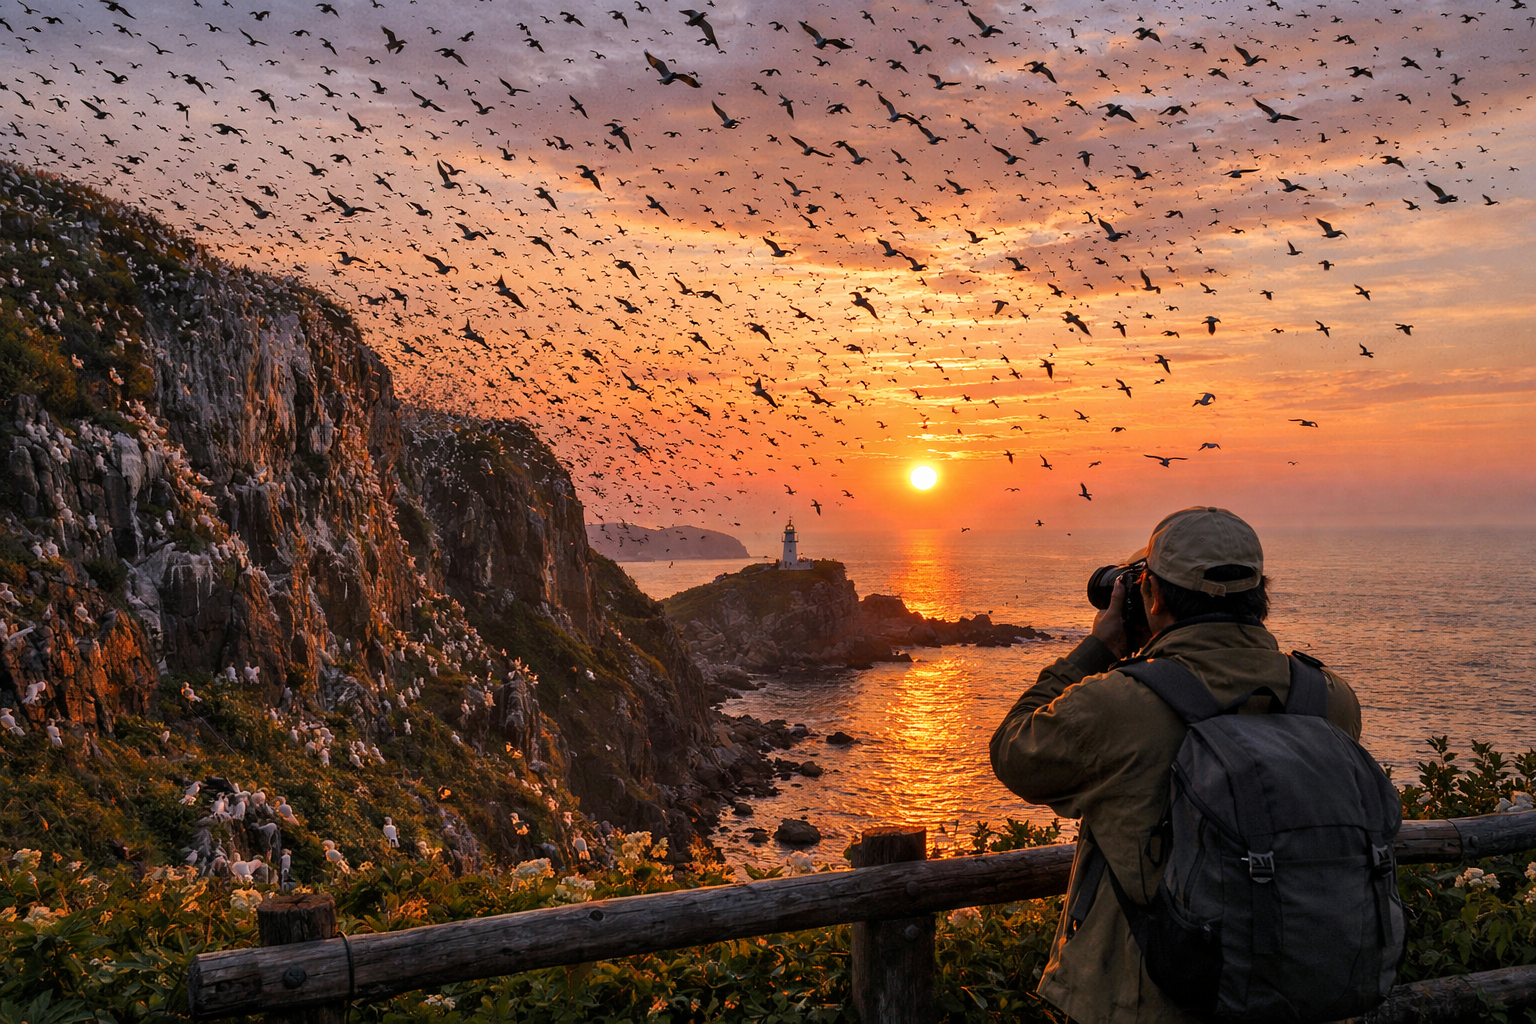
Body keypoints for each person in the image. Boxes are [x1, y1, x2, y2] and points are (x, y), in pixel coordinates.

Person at [990, 506, 1363, 1024]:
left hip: (1142, 1000)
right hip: (1292, 986)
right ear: (1261, 595)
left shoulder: (1119, 705)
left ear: (1150, 596)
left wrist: (1099, 647)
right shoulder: (1328, 698)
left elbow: (1013, 750)